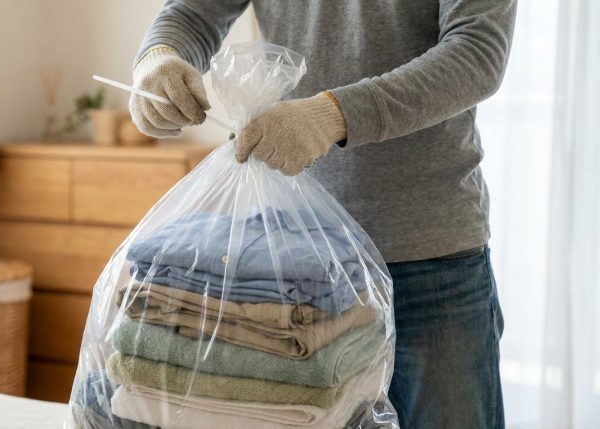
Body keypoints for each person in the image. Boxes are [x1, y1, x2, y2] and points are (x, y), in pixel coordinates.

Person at [129, 1, 516, 427]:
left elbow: (477, 51)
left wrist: (332, 115)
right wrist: (159, 55)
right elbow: (193, 12)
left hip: (429, 260)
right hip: (298, 266)